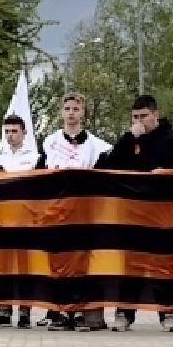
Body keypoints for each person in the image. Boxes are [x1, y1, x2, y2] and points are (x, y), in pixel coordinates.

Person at [98, 94, 173, 331]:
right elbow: (108, 166)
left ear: (156, 115)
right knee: (131, 264)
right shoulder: (129, 140)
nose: (139, 121)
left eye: (144, 116)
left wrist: (168, 172)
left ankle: (168, 313)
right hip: (133, 213)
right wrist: (129, 137)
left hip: (165, 213)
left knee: (164, 264)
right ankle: (124, 313)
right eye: (135, 117)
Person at [42, 94, 111, 331]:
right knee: (59, 263)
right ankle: (61, 311)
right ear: (62, 112)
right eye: (67, 108)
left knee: (82, 263)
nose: (71, 113)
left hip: (84, 215)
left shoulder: (98, 146)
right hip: (57, 214)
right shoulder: (49, 142)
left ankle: (81, 311)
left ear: (83, 113)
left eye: (76, 109)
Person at [0, 113, 44, 329]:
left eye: (14, 131)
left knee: (25, 268)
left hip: (25, 221)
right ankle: (4, 310)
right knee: (2, 267)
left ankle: (25, 311)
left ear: (24, 133)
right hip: (1, 220)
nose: (10, 135)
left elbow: (37, 188)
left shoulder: (35, 158)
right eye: (7, 131)